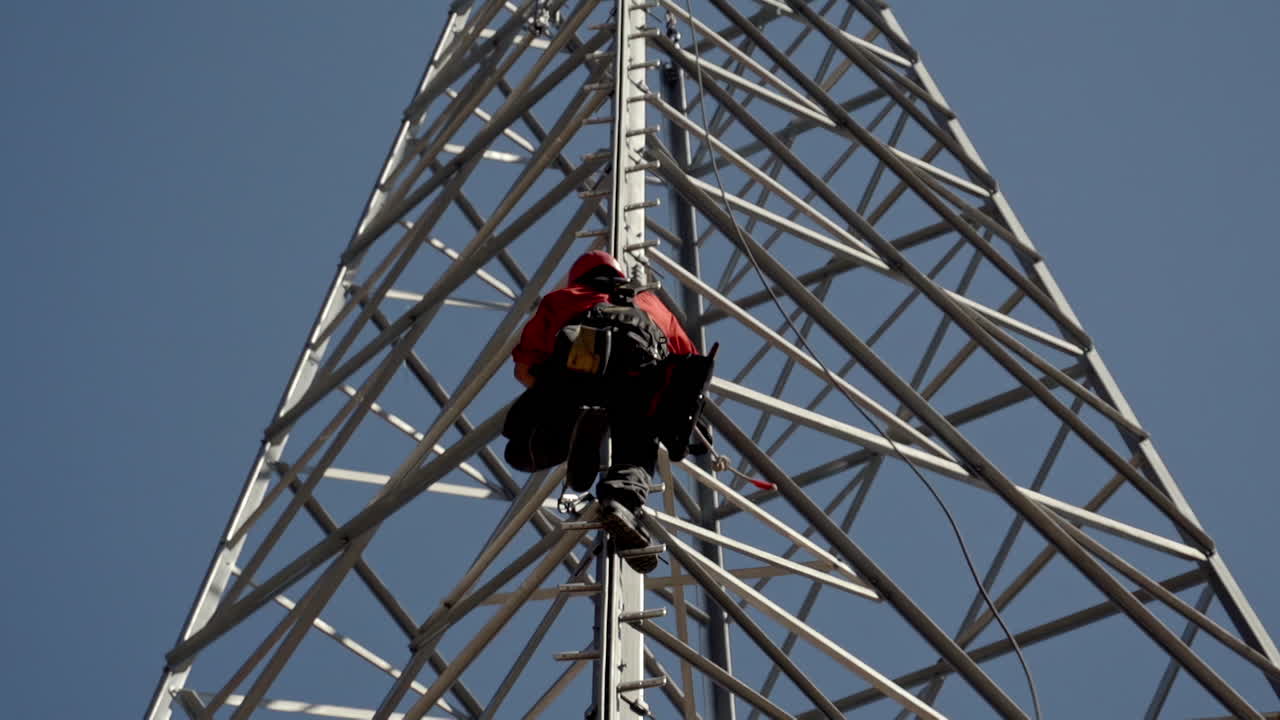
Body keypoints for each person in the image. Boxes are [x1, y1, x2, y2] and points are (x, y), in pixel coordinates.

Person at [503, 250, 708, 573]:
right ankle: (621, 503)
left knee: (523, 447)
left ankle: (577, 424)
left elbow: (525, 367)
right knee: (638, 440)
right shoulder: (653, 304)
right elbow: (688, 363)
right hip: (637, 372)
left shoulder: (562, 298)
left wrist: (548, 395)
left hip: (579, 367)